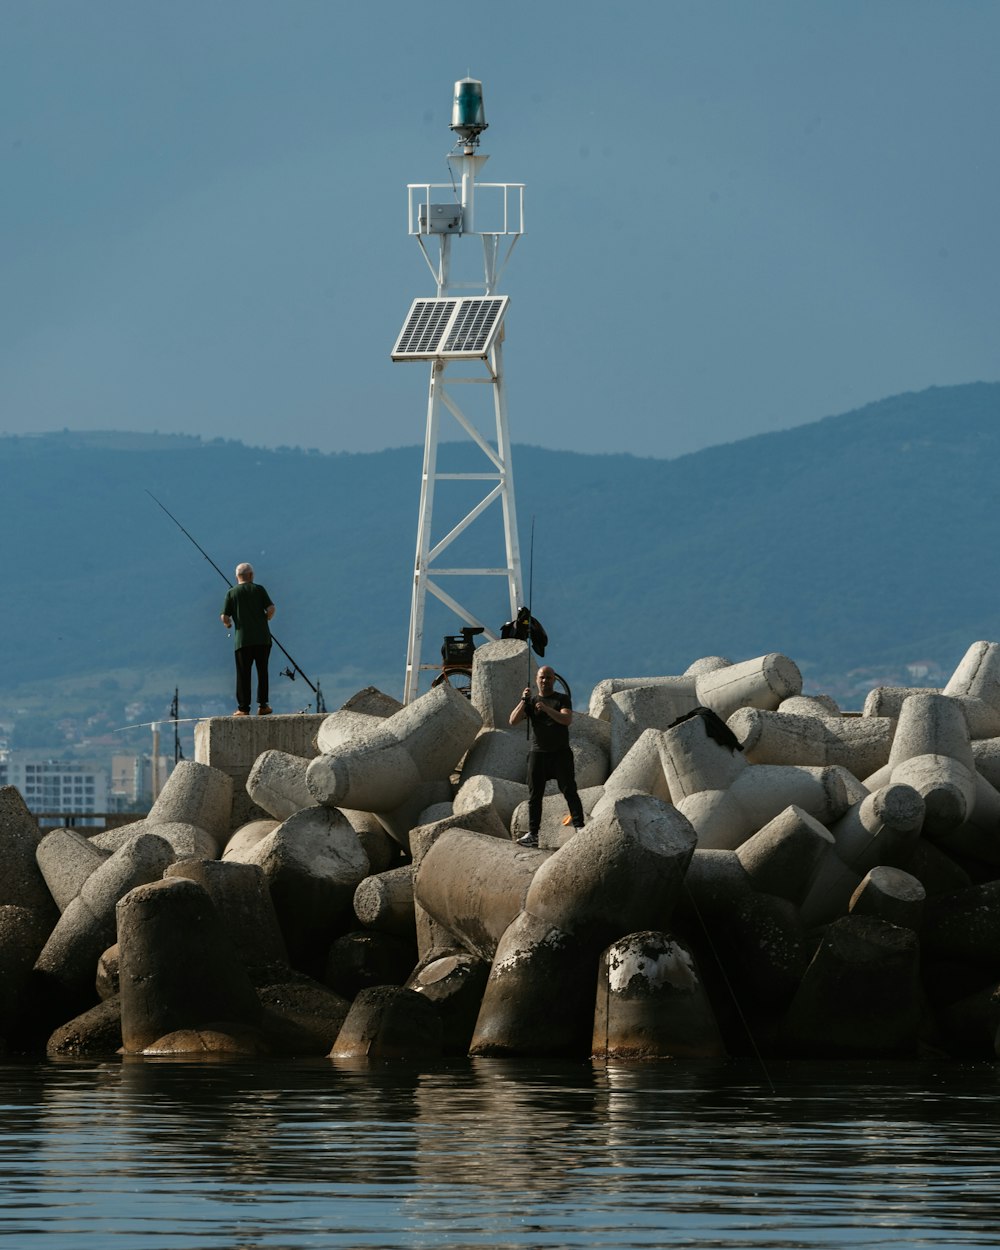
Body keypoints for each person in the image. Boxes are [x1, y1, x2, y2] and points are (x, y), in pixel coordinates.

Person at [509, 664, 585, 848]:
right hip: (538, 754)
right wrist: (523, 701)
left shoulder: (562, 699)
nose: (545, 680)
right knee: (535, 795)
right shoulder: (531, 701)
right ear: (537, 680)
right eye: (542, 677)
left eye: (548, 677)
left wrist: (546, 709)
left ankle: (580, 827)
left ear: (554, 680)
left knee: (569, 790)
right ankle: (533, 834)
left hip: (560, 753)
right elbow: (512, 721)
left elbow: (566, 720)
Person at [220, 563, 275, 716]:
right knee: (262, 671)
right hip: (263, 639)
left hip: (242, 641)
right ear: (251, 575)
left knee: (243, 674)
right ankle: (263, 705)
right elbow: (271, 609)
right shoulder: (258, 589)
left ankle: (243, 708)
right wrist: (266, 618)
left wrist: (228, 624)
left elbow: (224, 616)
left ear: (237, 576)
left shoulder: (232, 593)